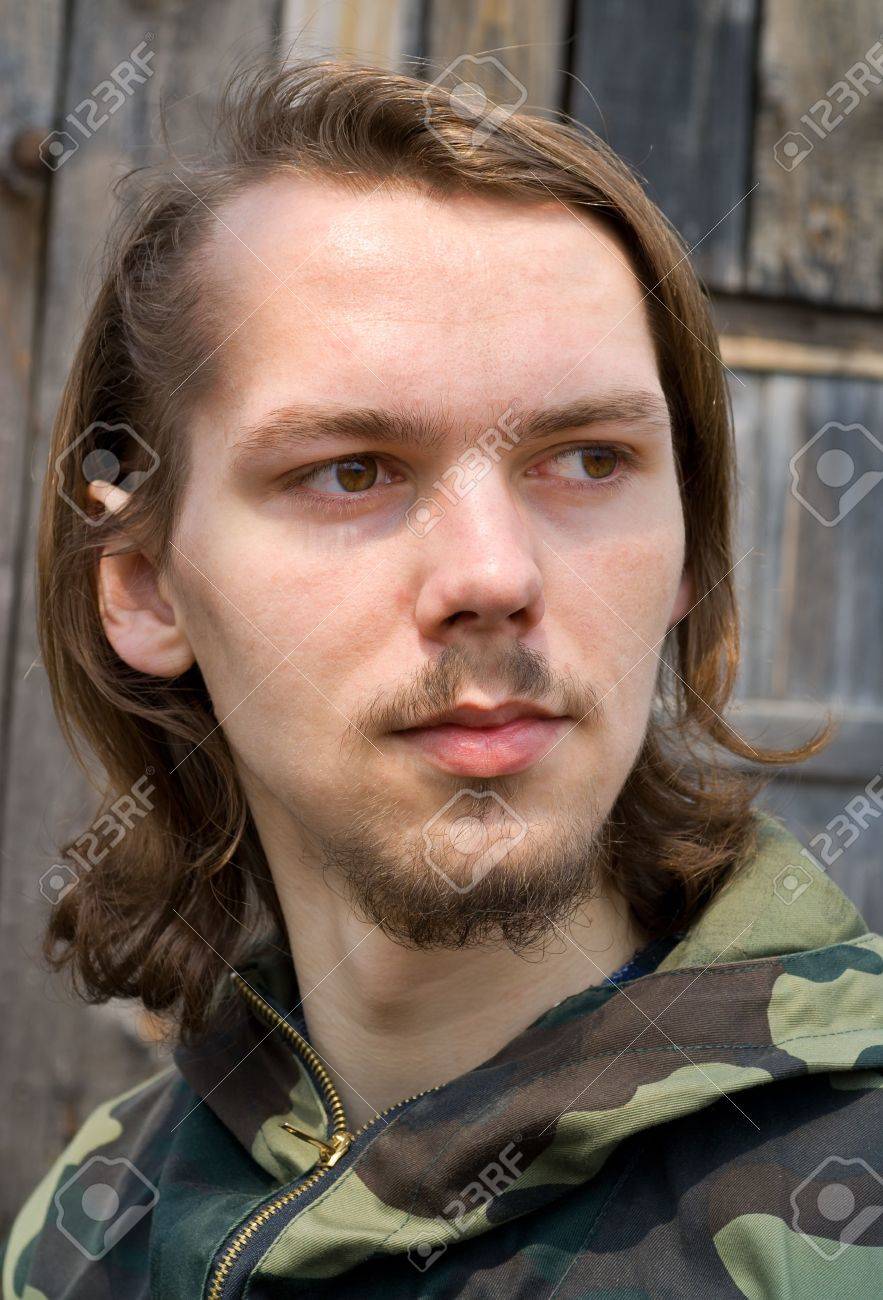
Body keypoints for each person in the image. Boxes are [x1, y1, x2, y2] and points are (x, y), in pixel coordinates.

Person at [4, 58, 881, 1299]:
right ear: (145, 583)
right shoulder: (93, 1227)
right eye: (354, 469)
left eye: (587, 458)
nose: (492, 573)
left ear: (689, 548)